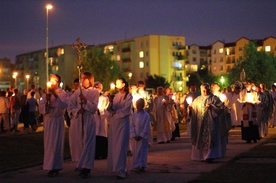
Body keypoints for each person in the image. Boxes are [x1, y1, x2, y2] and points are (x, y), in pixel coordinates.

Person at [68, 72, 99, 178]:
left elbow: (94, 108)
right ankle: (81, 164)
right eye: (81, 78)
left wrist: (85, 100)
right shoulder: (78, 91)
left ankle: (87, 167)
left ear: (89, 79)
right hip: (80, 119)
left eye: (84, 78)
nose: (82, 80)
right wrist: (77, 110)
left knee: (88, 143)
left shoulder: (95, 92)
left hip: (89, 118)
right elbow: (70, 104)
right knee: (81, 142)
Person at [39, 74, 68, 177]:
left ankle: (56, 166)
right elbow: (41, 107)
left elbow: (64, 105)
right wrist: (46, 102)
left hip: (57, 120)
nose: (51, 83)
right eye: (50, 80)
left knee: (56, 143)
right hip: (48, 120)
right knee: (49, 143)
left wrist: (55, 96)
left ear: (57, 82)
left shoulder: (62, 93)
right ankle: (49, 165)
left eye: (53, 81)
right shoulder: (45, 94)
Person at [189, 83, 224, 163]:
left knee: (210, 139)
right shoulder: (197, 99)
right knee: (201, 139)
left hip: (211, 124)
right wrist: (190, 109)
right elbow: (193, 111)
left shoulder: (214, 98)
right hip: (200, 124)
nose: (205, 91)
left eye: (206, 90)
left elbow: (220, 108)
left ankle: (210, 156)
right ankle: (201, 156)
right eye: (203, 90)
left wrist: (212, 107)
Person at [107, 77, 133, 179]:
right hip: (114, 124)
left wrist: (115, 113)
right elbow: (110, 109)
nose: (117, 85)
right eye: (116, 83)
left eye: (118, 83)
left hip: (123, 123)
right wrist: (111, 102)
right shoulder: (116, 96)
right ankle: (116, 167)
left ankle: (122, 169)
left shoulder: (128, 96)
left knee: (121, 146)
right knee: (115, 146)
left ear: (123, 85)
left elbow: (126, 111)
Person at [130, 98, 150, 172]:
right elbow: (131, 125)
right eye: (137, 105)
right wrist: (134, 135)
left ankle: (142, 165)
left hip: (142, 137)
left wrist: (141, 135)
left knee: (142, 150)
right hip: (135, 136)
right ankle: (136, 164)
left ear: (143, 106)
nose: (138, 106)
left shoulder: (146, 115)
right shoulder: (134, 115)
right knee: (135, 151)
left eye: (140, 105)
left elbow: (146, 126)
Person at [68, 78, 82, 163]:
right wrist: (76, 111)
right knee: (74, 139)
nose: (76, 86)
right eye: (75, 84)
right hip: (75, 119)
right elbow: (69, 107)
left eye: (77, 84)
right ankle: (76, 158)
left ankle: (81, 159)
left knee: (81, 139)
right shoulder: (73, 95)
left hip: (83, 119)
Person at [94, 81, 109, 159]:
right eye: (95, 87)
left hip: (101, 119)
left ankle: (103, 153)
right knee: (95, 135)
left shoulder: (104, 98)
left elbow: (106, 109)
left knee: (102, 135)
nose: (96, 88)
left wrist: (100, 111)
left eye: (97, 87)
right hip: (94, 118)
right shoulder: (92, 97)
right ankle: (95, 154)